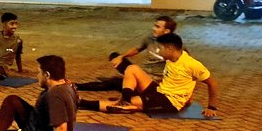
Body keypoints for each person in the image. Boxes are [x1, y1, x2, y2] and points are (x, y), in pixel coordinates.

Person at [79, 33, 220, 118]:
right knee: (132, 68)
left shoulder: (191, 64)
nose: (158, 51)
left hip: (169, 102)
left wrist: (211, 107)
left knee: (122, 104)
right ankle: (126, 100)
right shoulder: (172, 58)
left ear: (170, 48)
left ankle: (80, 103)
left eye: (161, 48)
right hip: (159, 91)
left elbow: (212, 83)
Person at [78, 16, 176, 91]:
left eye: (157, 27)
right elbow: (137, 49)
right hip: (141, 72)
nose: (153, 28)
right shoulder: (151, 38)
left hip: (152, 80)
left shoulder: (174, 46)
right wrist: (121, 57)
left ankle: (77, 86)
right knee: (114, 56)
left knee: (113, 83)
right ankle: (127, 78)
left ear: (166, 31)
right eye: (154, 25)